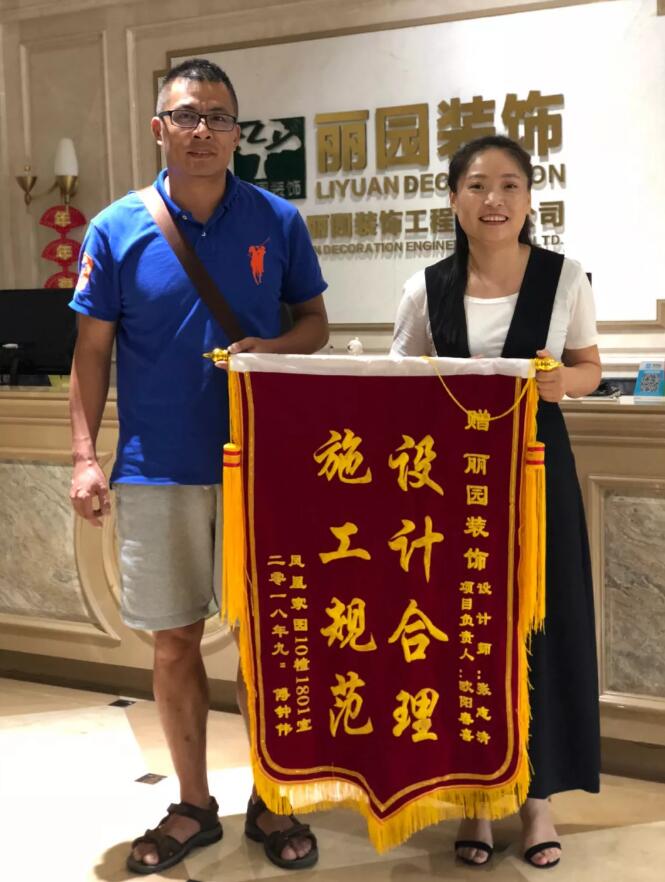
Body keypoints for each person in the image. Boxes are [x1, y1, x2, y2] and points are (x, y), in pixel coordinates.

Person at [68, 58, 328, 875]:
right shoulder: (116, 228)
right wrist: (85, 458)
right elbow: (90, 353)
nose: (203, 130)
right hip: (157, 468)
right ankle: (193, 803)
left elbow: (315, 324)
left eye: (218, 117)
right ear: (159, 129)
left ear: (237, 132)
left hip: (262, 466)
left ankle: (274, 797)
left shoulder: (276, 220)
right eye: (187, 115)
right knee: (174, 641)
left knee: (269, 642)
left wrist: (271, 348)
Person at [391, 135, 600, 870]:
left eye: (510, 185)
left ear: (529, 199)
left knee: (541, 624)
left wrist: (563, 384)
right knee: (465, 629)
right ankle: (475, 800)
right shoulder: (425, 287)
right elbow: (398, 381)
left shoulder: (563, 277)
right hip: (452, 482)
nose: (494, 200)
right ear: (453, 198)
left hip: (538, 474)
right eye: (477, 185)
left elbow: (589, 367)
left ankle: (538, 802)